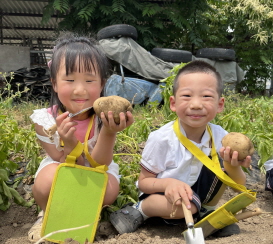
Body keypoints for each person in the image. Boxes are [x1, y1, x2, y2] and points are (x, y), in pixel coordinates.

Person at [110, 60, 251, 236]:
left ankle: (205, 213)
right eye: (186, 96)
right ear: (173, 103)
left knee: (214, 171)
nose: (196, 104)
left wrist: (233, 165)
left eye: (206, 96)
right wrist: (169, 183)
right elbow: (144, 182)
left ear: (220, 104)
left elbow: (239, 186)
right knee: (186, 206)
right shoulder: (162, 139)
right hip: (161, 196)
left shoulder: (221, 137)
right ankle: (140, 210)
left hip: (197, 200)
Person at [27, 33, 134, 242]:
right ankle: (46, 213)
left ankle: (85, 214)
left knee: (109, 189)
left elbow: (101, 163)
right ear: (55, 84)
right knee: (47, 181)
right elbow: (61, 160)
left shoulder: (105, 117)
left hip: (95, 167)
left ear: (102, 84)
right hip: (62, 164)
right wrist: (70, 146)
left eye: (89, 80)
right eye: (69, 79)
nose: (79, 89)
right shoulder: (45, 120)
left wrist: (110, 131)